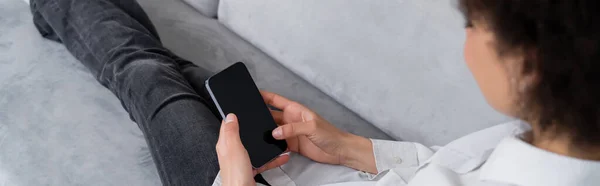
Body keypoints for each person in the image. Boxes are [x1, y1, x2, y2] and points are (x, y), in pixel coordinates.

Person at [31, 0, 599, 185]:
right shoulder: (557, 148)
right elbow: (452, 172)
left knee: (142, 71)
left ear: (528, 67)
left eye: (475, 26)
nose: (466, 41)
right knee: (178, 70)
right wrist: (355, 148)